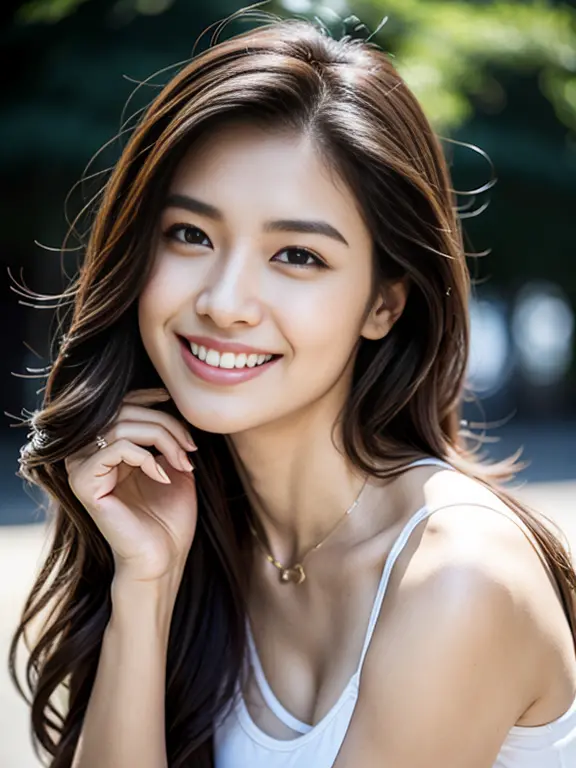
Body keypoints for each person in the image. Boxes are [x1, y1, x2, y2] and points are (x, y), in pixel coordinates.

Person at [9, 9, 576, 768]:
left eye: (298, 256)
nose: (225, 300)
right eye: (191, 235)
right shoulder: (202, 532)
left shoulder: (456, 577)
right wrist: (144, 588)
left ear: (384, 304)